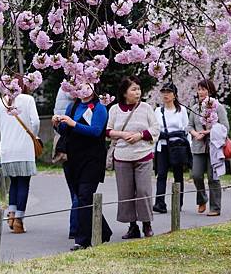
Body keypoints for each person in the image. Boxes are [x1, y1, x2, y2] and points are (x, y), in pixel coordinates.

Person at [53, 84, 112, 251]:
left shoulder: (99, 108)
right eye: (79, 86)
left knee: (85, 196)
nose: (83, 90)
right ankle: (104, 231)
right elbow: (65, 131)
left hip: (92, 160)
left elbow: (96, 131)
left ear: (94, 87)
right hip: (74, 159)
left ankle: (83, 240)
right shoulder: (73, 106)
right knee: (81, 197)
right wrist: (58, 123)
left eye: (87, 86)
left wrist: (73, 124)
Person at [107, 75, 160, 239]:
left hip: (143, 155)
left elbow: (156, 129)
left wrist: (139, 135)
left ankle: (147, 224)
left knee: (144, 191)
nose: (138, 93)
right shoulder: (114, 109)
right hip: (122, 156)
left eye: (139, 89)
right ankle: (132, 227)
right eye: (133, 89)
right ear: (124, 93)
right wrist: (123, 135)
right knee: (126, 193)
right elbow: (107, 131)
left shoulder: (146, 108)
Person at [0, 76, 39, 234]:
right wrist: (33, 136)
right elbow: (35, 122)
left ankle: (11, 215)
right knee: (23, 183)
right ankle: (19, 220)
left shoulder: (0, 101)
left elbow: (0, 125)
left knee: (13, 182)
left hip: (6, 149)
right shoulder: (27, 99)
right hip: (24, 148)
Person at [187, 79, 229, 217]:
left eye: (204, 89)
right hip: (198, 147)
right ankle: (202, 199)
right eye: (199, 89)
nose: (201, 92)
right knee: (196, 175)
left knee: (213, 177)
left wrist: (208, 132)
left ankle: (215, 208)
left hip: (214, 147)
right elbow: (189, 126)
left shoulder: (218, 107)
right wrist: (194, 134)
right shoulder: (194, 108)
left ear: (210, 91)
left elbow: (225, 127)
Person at [153, 82, 191, 214]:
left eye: (168, 92)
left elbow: (186, 129)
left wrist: (188, 148)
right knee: (161, 174)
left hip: (177, 146)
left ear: (174, 95)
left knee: (178, 176)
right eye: (163, 92)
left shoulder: (182, 110)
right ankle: (159, 203)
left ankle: (178, 202)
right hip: (162, 146)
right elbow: (155, 130)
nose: (166, 95)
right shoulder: (158, 111)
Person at [52, 87, 79, 239]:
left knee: (74, 190)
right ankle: (76, 227)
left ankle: (76, 225)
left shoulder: (62, 88)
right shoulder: (76, 93)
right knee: (81, 190)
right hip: (75, 145)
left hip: (63, 144)